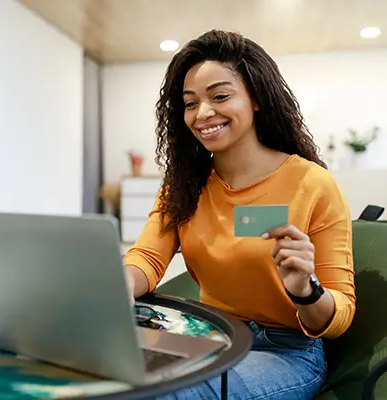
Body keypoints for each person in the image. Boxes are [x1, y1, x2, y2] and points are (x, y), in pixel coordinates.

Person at [123, 30, 356, 399]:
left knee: (170, 392)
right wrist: (117, 285)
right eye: (189, 103)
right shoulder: (185, 183)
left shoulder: (311, 184)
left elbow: (339, 316)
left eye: (220, 96)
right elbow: (148, 257)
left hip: (284, 351)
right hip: (210, 335)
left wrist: (306, 291)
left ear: (257, 98)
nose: (203, 114)